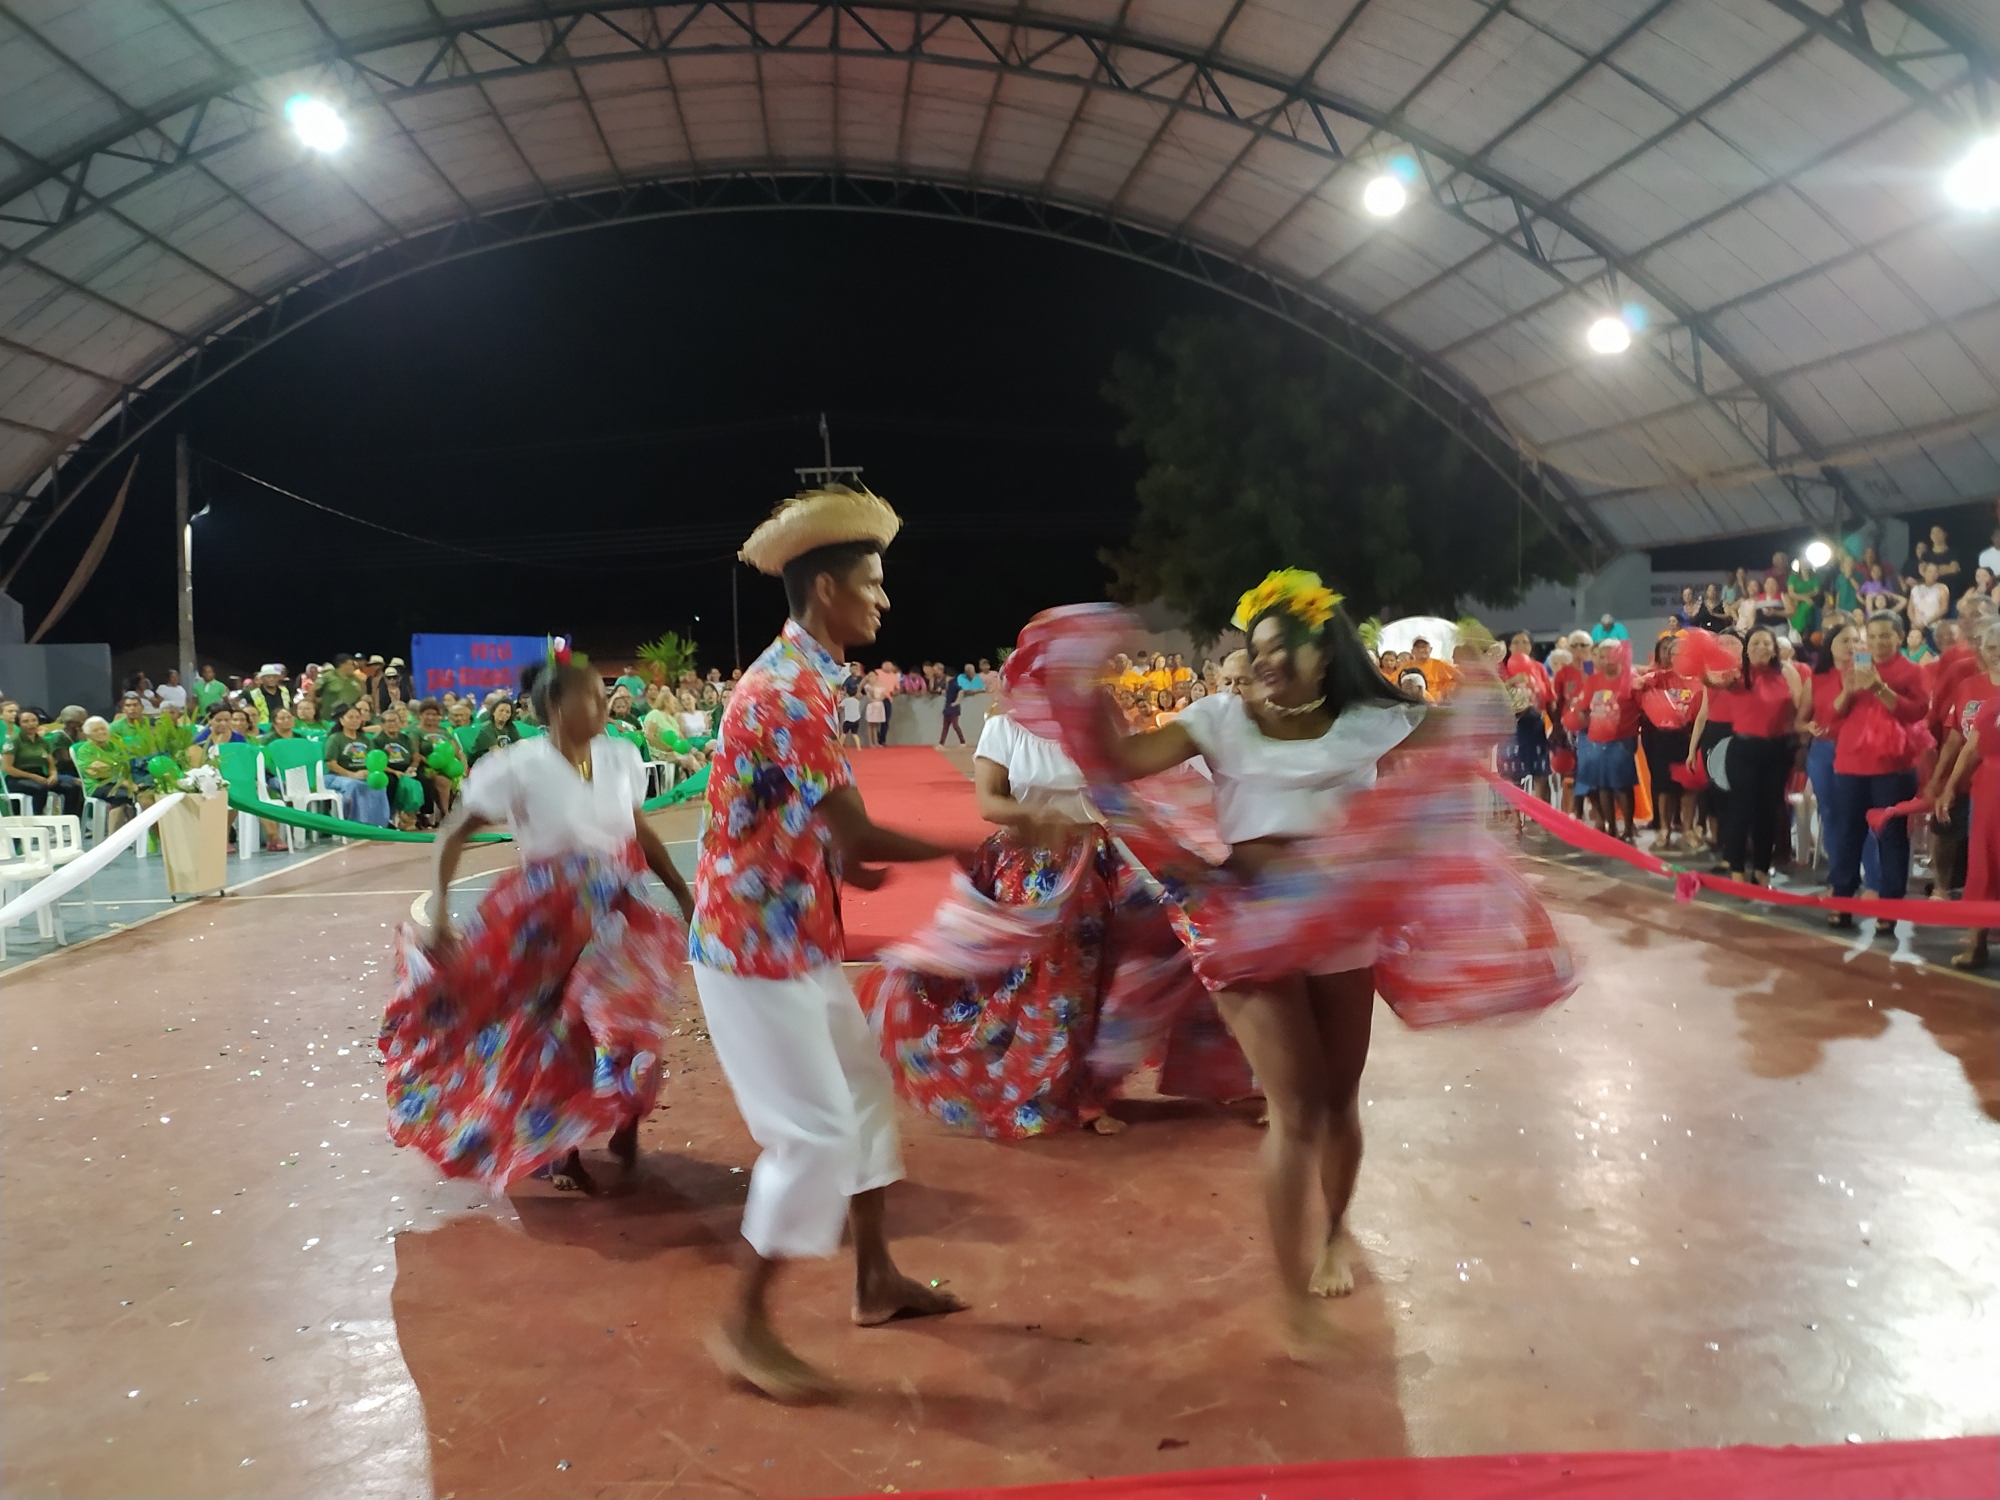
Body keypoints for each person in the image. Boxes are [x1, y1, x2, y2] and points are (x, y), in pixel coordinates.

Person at [690, 485, 966, 1402]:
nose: (884, 599)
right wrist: (977, 846)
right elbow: (858, 831)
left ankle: (875, 1281)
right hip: (750, 949)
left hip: (795, 936)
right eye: (872, 584)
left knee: (862, 1091)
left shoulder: (808, 679)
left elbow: (817, 821)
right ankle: (743, 1325)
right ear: (825, 592)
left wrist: (848, 864)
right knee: (812, 1137)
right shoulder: (786, 691)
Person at [384, 651, 694, 1196]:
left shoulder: (620, 757)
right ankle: (560, 1149)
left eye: (604, 695)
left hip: (615, 912)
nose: (604, 705)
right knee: (559, 1032)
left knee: (631, 1018)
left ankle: (623, 1116)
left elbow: (636, 829)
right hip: (546, 924)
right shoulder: (518, 766)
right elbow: (453, 833)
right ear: (554, 704)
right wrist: (440, 911)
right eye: (590, 696)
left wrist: (680, 891)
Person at [1825, 612, 1927, 943]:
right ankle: (1842, 899)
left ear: (1899, 637)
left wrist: (1879, 688)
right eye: (1873, 635)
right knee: (1847, 834)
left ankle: (1889, 907)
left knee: (1892, 838)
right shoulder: (1855, 665)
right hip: (1851, 764)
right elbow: (1833, 716)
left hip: (1893, 767)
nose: (1878, 642)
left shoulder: (1911, 671)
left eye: (1886, 635)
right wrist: (1847, 691)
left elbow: (1917, 712)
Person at [1696, 627, 1806, 884]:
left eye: (1766, 643)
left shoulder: (1787, 672)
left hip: (1778, 751)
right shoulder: (1738, 673)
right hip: (1743, 751)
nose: (1761, 648)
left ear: (1774, 648)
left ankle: (1761, 868)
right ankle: (1737, 868)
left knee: (1768, 812)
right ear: (1746, 649)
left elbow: (1799, 708)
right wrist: (1701, 665)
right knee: (1740, 810)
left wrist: (1802, 740)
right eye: (1755, 643)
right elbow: (1713, 682)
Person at [1937, 620, 2000, 967]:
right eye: (1992, 647)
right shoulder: (1987, 704)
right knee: (1983, 864)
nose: (1998, 654)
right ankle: (1977, 945)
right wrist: (1949, 786)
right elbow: (1970, 748)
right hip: (1988, 793)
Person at [1636, 635, 1700, 849]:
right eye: (1674, 653)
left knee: (1689, 786)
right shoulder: (1661, 677)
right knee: (1664, 786)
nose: (1679, 657)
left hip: (1691, 736)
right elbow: (1637, 681)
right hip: (1665, 737)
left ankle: (1688, 829)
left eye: (1683, 653)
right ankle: (1665, 829)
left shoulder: (1700, 679)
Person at [1575, 640, 1642, 839]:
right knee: (1602, 784)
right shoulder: (1593, 680)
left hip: (1623, 740)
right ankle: (1610, 827)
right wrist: (1583, 720)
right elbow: (1583, 708)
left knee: (1622, 784)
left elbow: (1643, 707)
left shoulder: (1632, 679)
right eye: (1602, 656)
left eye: (1610, 656)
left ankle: (1628, 828)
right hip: (1598, 739)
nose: (1605, 661)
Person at [2, 708, 83, 817]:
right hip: (18, 778)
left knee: (72, 788)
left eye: (34, 720)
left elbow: (51, 764)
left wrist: (53, 775)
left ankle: (69, 820)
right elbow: (7, 768)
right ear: (19, 724)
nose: (31, 724)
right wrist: (33, 777)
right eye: (26, 721)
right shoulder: (13, 741)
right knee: (40, 788)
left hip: (40, 774)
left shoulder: (43, 742)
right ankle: (38, 819)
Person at [323, 702, 391, 826]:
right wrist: (352, 775)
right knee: (354, 785)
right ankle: (355, 822)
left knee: (378, 785)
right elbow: (331, 764)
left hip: (361, 775)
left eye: (357, 717)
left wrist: (369, 772)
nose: (355, 720)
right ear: (342, 720)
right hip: (336, 776)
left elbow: (373, 761)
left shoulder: (365, 739)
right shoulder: (335, 738)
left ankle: (379, 823)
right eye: (350, 717)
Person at [71, 716, 142, 832]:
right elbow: (98, 774)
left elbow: (126, 766)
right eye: (95, 730)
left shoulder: (115, 745)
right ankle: (114, 837)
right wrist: (124, 781)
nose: (101, 732)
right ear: (87, 734)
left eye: (103, 728)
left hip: (121, 782)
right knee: (123, 796)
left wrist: (109, 768)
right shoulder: (85, 750)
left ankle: (135, 833)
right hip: (97, 785)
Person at [469, 697, 521, 765]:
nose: (504, 714)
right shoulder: (486, 728)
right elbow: (496, 752)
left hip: (499, 763)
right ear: (494, 712)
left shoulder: (510, 727)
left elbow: (520, 742)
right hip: (480, 765)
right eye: (501, 710)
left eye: (507, 712)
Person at [939, 665, 968, 744]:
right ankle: (941, 743)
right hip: (947, 707)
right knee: (945, 726)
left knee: (955, 725)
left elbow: (961, 691)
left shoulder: (953, 683)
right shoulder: (948, 684)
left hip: (953, 708)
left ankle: (963, 742)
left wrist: (957, 701)